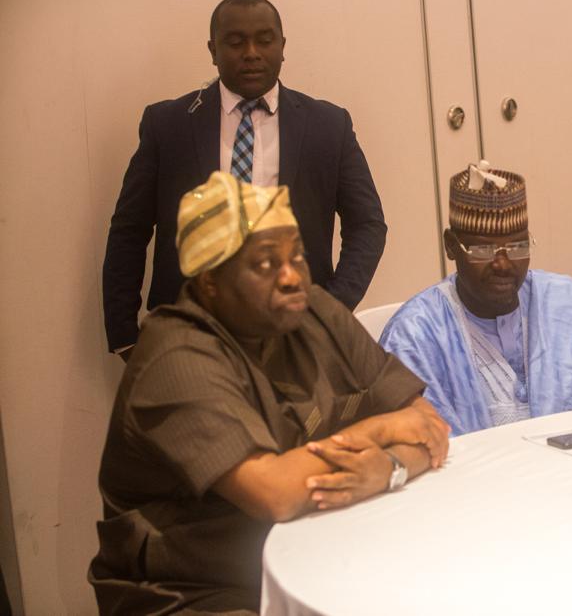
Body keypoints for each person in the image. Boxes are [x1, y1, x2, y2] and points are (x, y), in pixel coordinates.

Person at [89, 172, 449, 614]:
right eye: (265, 264)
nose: (291, 276)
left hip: (322, 550)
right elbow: (275, 493)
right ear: (209, 281)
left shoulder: (315, 309)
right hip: (197, 591)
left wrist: (388, 468)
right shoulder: (175, 357)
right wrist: (381, 431)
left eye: (296, 256)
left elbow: (429, 428)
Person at [102, 0, 387, 360]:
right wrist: (125, 335)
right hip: (189, 334)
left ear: (283, 46)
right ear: (213, 50)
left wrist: (329, 311)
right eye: (235, 42)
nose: (251, 53)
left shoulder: (328, 126)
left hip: (296, 336)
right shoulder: (168, 124)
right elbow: (129, 229)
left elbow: (367, 224)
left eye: (265, 40)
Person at [379, 162, 572, 436]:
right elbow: (414, 438)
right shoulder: (414, 335)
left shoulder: (566, 304)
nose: (503, 264)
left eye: (517, 247)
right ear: (451, 246)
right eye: (483, 250)